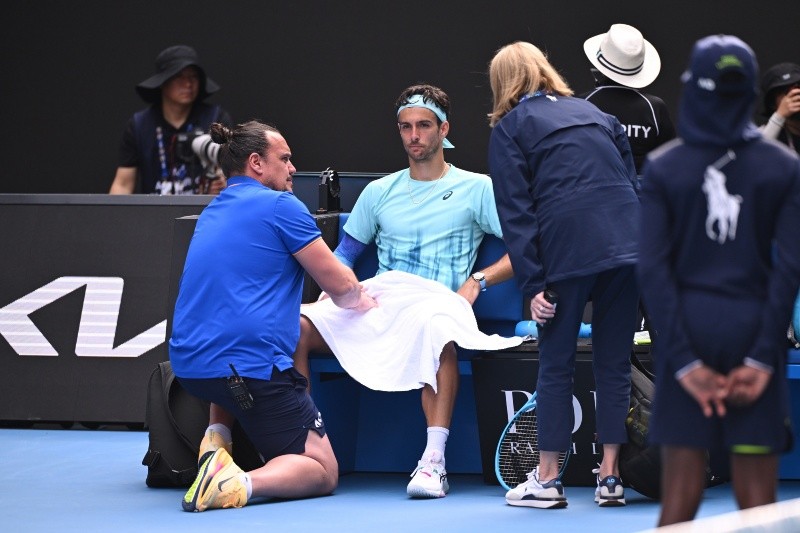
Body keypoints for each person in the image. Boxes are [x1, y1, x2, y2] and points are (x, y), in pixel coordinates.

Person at [294, 84, 516, 499]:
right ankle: (305, 445)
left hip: (439, 301)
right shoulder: (379, 192)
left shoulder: (477, 187)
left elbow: (524, 250)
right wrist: (334, 287)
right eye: (405, 127)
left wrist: (478, 281)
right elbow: (344, 254)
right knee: (296, 326)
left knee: (437, 330)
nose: (414, 135)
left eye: (424, 126)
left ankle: (434, 462)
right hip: (383, 299)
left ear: (443, 129)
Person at [169, 120, 377, 512]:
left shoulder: (215, 208)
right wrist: (364, 299)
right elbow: (342, 288)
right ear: (256, 163)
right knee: (321, 468)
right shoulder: (282, 206)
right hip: (247, 373)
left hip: (191, 369)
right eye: (285, 159)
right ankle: (234, 481)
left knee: (233, 350)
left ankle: (216, 439)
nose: (293, 168)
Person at [637, 35, 800, 527]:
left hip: (689, 338)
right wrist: (760, 357)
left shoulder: (664, 168)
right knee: (759, 507)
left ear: (693, 87)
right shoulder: (784, 166)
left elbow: (653, 270)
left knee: (680, 499)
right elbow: (790, 267)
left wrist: (685, 363)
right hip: (757, 339)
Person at [487, 41, 640, 509]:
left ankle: (548, 479)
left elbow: (517, 214)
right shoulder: (598, 116)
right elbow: (631, 186)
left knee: (555, 365)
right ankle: (610, 477)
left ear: (502, 83)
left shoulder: (509, 128)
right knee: (615, 363)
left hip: (568, 253)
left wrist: (533, 285)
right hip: (631, 246)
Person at [109, 45, 233, 195]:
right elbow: (123, 184)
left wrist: (221, 184)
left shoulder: (215, 119)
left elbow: (232, 174)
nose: (188, 84)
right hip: (153, 213)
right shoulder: (140, 125)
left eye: (193, 76)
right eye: (179, 76)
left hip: (205, 212)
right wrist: (111, 217)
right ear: (163, 82)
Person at [580, 23, 676, 176]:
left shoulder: (583, 104)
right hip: (644, 195)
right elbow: (670, 159)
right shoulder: (654, 107)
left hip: (596, 189)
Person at [759, 62, 800, 155]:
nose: (794, 95)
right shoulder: (767, 133)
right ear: (772, 104)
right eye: (785, 91)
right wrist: (779, 116)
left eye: (798, 87)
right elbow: (756, 154)